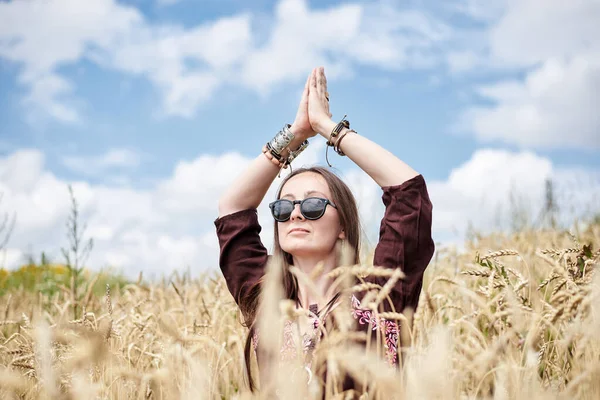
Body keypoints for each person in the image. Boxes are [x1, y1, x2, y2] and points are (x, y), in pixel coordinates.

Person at [214, 66, 435, 394]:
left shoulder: (380, 297)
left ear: (343, 226)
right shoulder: (266, 299)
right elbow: (232, 209)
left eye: (313, 205)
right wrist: (296, 134)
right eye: (284, 207)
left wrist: (330, 129)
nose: (296, 214)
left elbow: (408, 192)